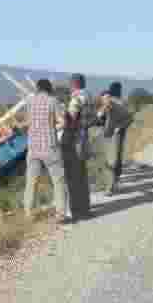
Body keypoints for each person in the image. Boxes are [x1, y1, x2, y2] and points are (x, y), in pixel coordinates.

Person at [21, 79, 70, 225]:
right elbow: (63, 122)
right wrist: (54, 127)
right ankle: (60, 214)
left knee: (31, 181)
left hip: (33, 147)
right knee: (58, 180)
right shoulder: (53, 101)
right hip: (50, 147)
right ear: (49, 89)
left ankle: (28, 213)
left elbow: (28, 122)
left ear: (37, 89)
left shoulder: (29, 101)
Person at [62, 73, 92, 219]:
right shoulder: (88, 96)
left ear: (74, 84)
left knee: (73, 176)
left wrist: (63, 115)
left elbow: (70, 119)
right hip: (84, 137)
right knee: (82, 174)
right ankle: (85, 209)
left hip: (74, 140)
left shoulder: (76, 99)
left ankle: (75, 210)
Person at [97, 82, 134, 195]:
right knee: (113, 159)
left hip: (113, 135)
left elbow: (101, 115)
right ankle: (112, 183)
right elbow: (101, 116)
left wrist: (119, 127)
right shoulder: (119, 102)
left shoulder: (114, 102)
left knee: (111, 160)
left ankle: (110, 187)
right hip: (112, 134)